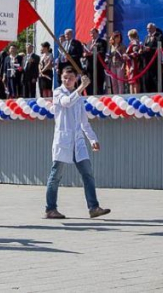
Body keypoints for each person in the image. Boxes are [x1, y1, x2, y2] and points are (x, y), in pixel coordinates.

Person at [45, 68, 110, 220]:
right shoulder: (58, 92)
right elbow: (66, 103)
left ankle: (93, 207)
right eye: (65, 78)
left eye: (70, 78)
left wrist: (92, 139)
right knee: (56, 175)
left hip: (77, 141)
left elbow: (84, 122)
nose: (67, 81)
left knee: (88, 173)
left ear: (75, 79)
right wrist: (81, 88)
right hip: (63, 140)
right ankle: (50, 208)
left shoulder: (79, 98)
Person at [83, 29, 107, 96]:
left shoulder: (102, 42)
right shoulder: (89, 43)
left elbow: (102, 52)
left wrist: (92, 54)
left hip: (98, 66)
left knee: (99, 83)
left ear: (97, 33)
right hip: (89, 66)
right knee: (90, 83)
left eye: (93, 33)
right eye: (91, 34)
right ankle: (90, 96)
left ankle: (100, 96)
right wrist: (85, 54)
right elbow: (87, 52)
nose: (92, 35)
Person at [125, 30, 143, 94]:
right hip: (130, 64)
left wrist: (127, 56)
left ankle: (135, 95)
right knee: (131, 81)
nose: (128, 37)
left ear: (131, 36)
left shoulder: (134, 43)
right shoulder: (132, 43)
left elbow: (136, 54)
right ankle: (132, 95)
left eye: (128, 36)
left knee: (134, 80)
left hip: (133, 64)